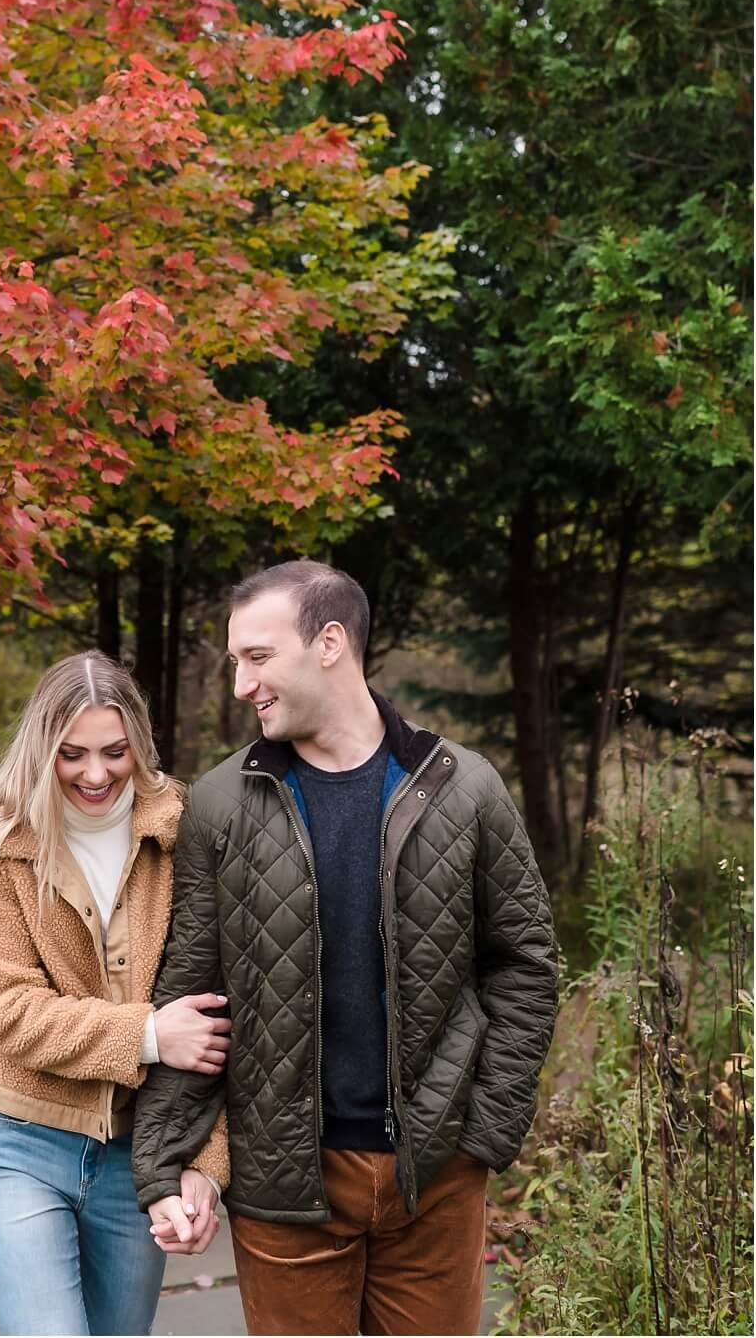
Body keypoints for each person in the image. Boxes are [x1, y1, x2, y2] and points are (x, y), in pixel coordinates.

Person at [133, 560, 561, 1335]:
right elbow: (190, 991)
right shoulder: (223, 804)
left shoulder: (464, 788)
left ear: (329, 642)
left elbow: (525, 964)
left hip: (436, 1177)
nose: (240, 684)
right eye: (234, 662)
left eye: (256, 658)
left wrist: (485, 1136)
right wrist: (166, 1165)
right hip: (284, 1187)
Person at [0, 650, 233, 1336]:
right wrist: (147, 1034)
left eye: (115, 752)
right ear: (41, 746)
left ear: (139, 743)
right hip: (20, 1146)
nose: (95, 774)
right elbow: (9, 1011)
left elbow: (223, 1018)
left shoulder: (188, 835)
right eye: (71, 754)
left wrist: (204, 1166)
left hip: (139, 1159)